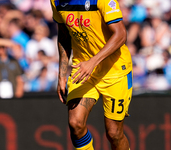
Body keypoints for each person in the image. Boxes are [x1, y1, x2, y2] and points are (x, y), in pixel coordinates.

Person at [51, 0, 133, 149]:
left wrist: (93, 62)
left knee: (114, 133)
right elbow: (63, 36)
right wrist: (62, 74)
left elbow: (121, 34)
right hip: (83, 68)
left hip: (115, 71)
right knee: (75, 124)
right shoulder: (56, 1)